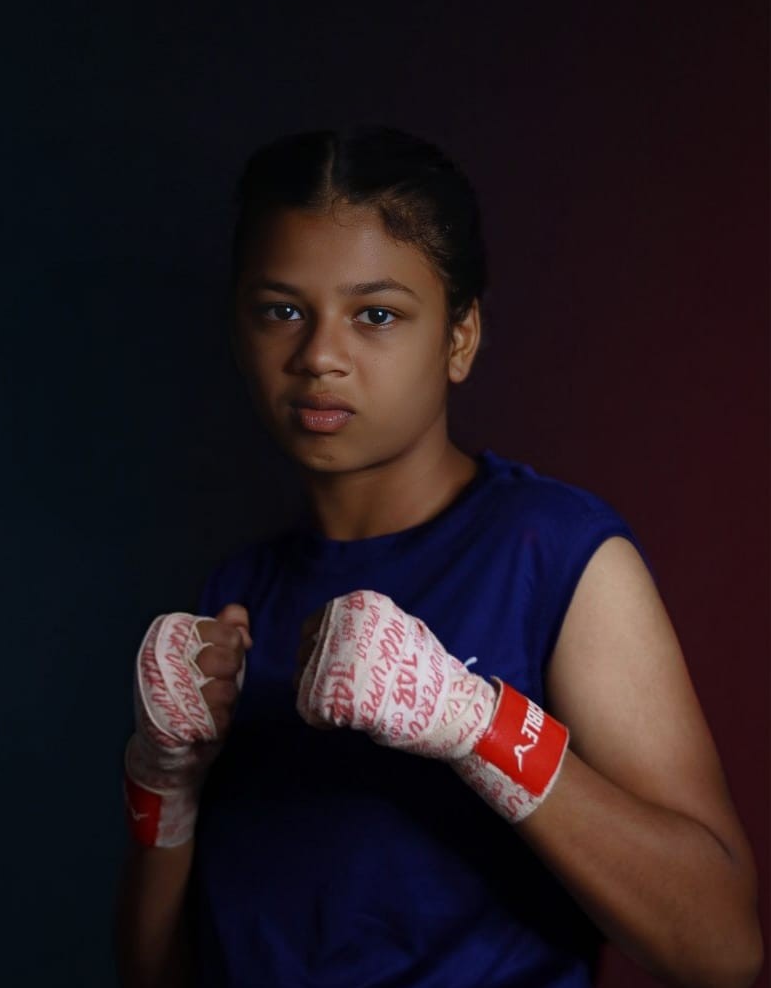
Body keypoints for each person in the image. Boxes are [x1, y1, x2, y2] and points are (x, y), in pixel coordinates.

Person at [115, 127, 763, 988]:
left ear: (459, 338)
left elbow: (722, 951)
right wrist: (164, 785)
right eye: (281, 309)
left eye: (375, 314)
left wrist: (474, 722)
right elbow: (157, 975)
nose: (317, 356)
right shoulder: (234, 600)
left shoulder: (553, 551)